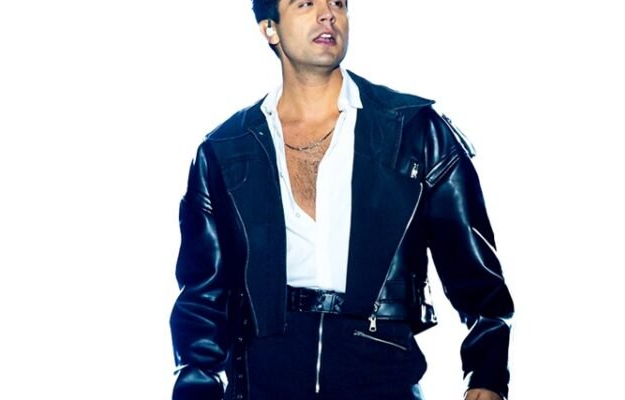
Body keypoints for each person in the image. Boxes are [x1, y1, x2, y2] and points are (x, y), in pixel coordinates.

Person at [169, 1, 514, 399]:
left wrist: (487, 377)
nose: (327, 14)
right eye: (305, 3)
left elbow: (477, 276)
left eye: (338, 2)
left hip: (381, 377)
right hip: (263, 380)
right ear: (269, 28)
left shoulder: (415, 131)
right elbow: (202, 297)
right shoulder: (225, 149)